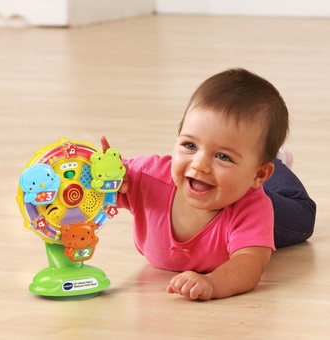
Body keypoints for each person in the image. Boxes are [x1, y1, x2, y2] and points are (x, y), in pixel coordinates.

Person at [101, 68, 316, 301]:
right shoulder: (147, 177)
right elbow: (107, 184)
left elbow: (249, 265)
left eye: (223, 156)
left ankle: (274, 162)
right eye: (190, 146)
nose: (200, 165)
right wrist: (105, 176)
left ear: (260, 173)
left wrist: (214, 282)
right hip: (236, 181)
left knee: (302, 216)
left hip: (254, 200)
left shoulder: (254, 207)